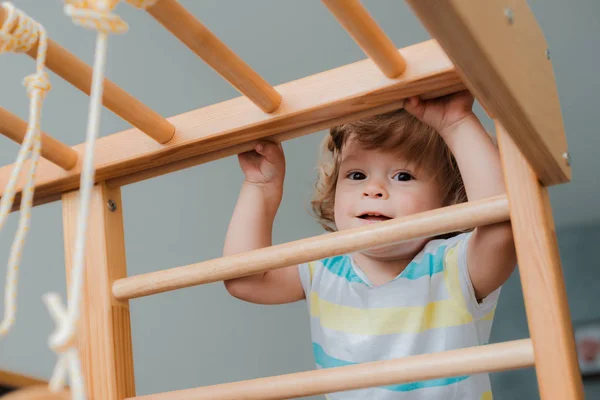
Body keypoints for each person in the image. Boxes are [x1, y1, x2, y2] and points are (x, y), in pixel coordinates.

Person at [222, 90, 517, 399]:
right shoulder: (323, 265)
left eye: (403, 176)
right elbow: (246, 278)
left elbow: (500, 228)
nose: (374, 189)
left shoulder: (454, 267)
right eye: (357, 174)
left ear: (449, 198)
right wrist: (260, 186)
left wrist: (457, 124)